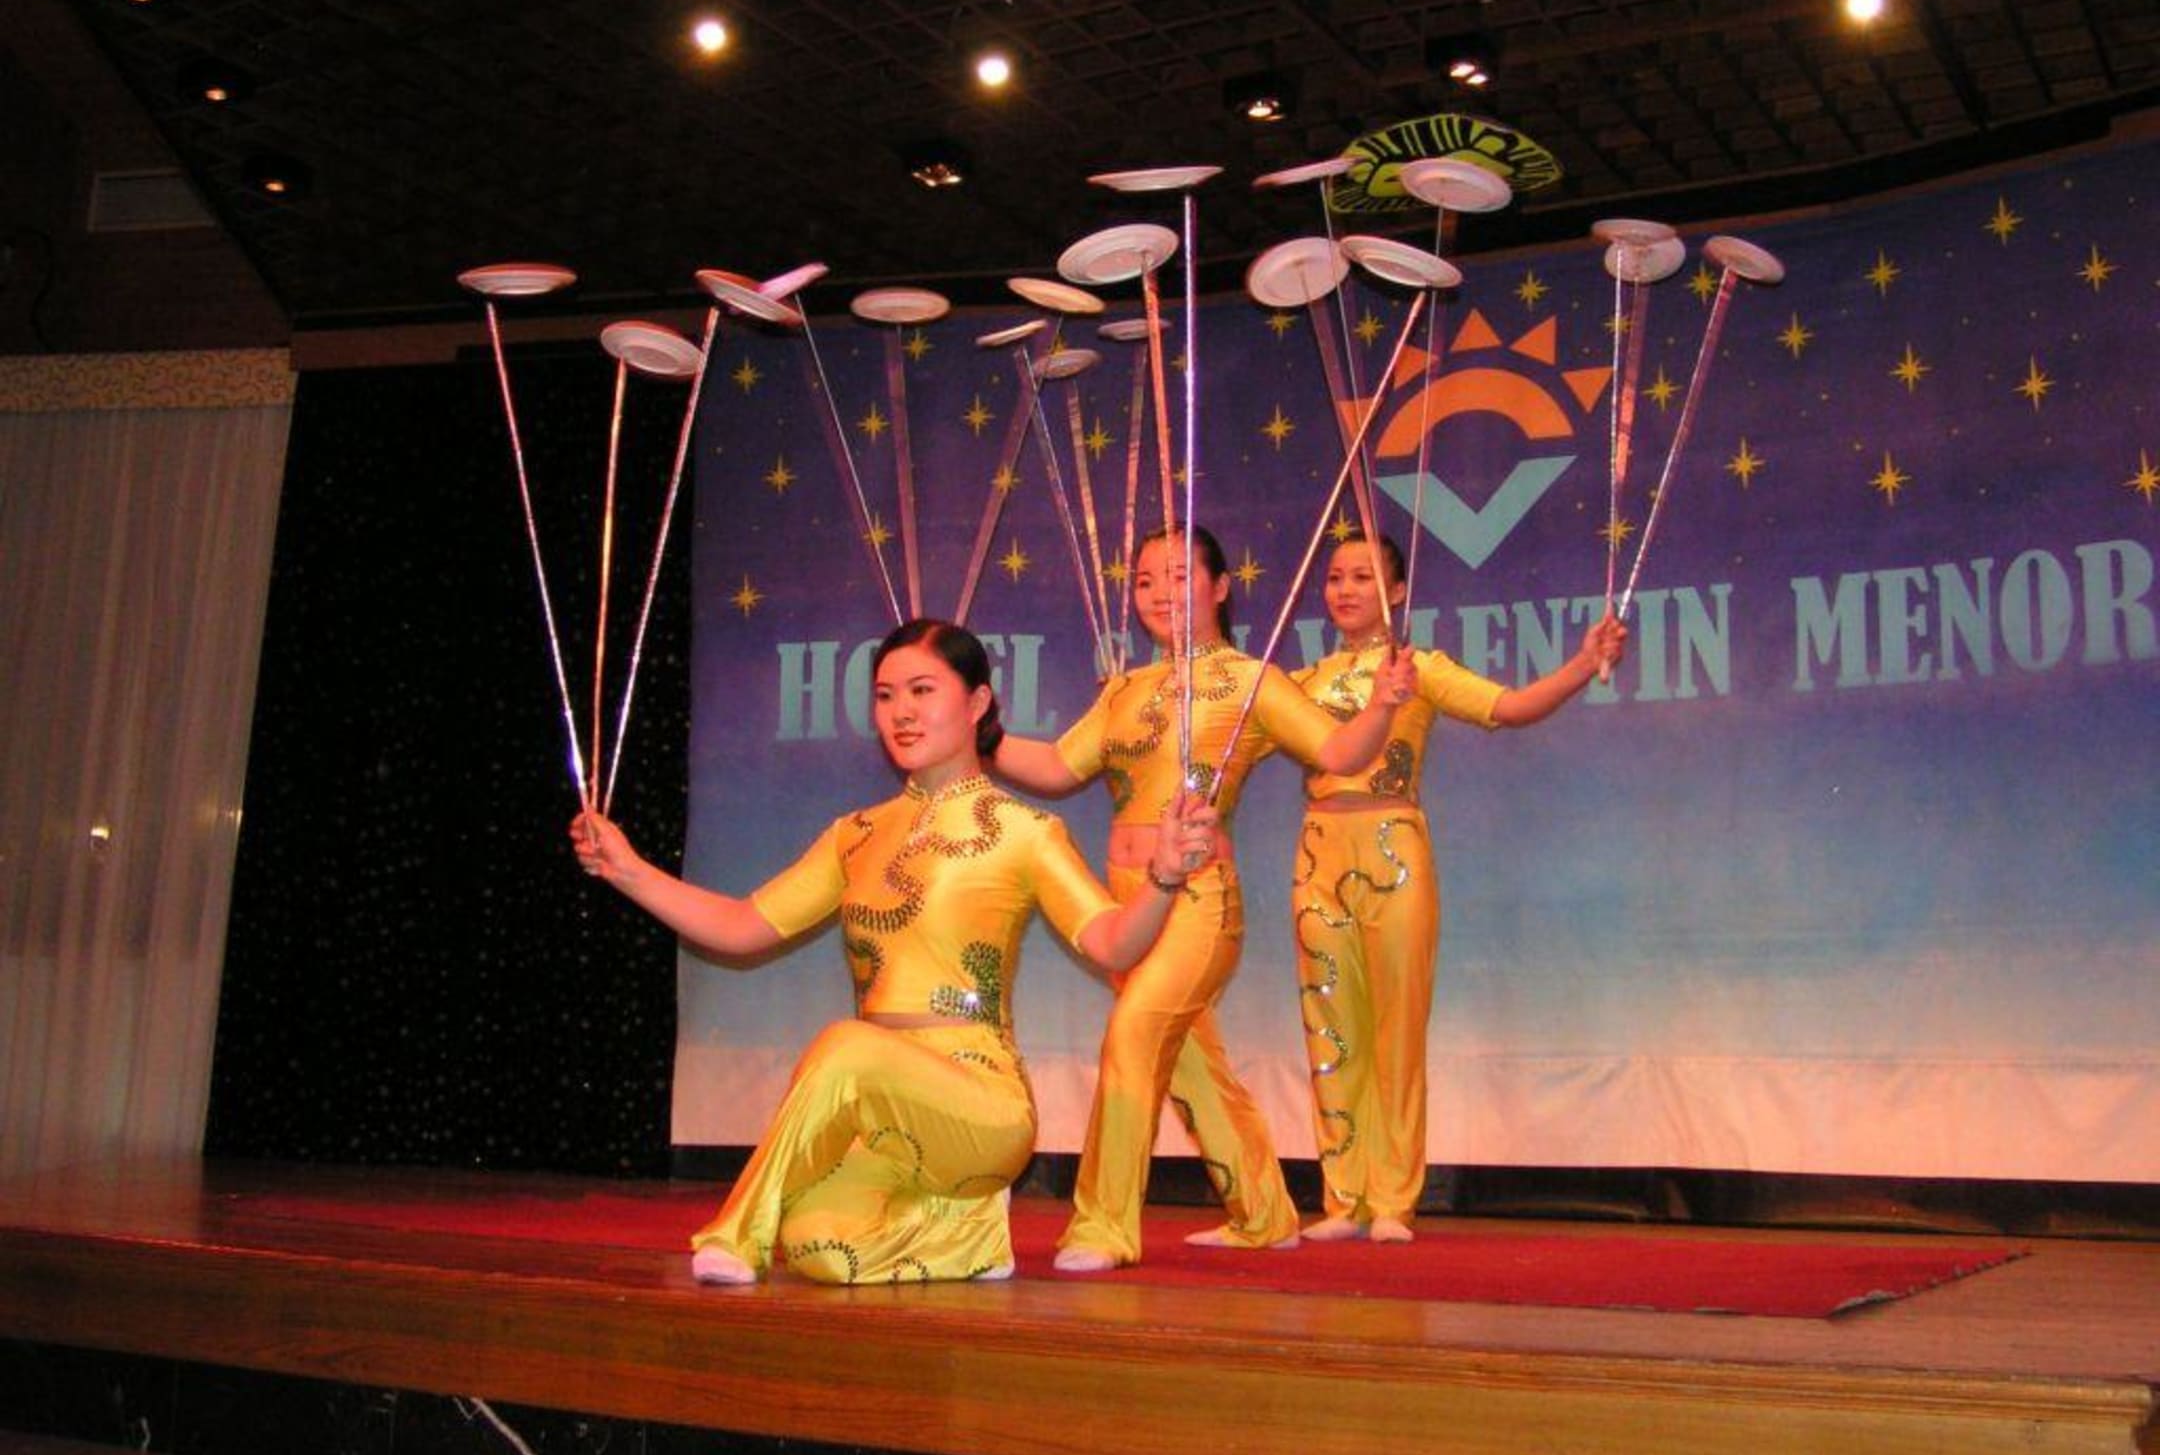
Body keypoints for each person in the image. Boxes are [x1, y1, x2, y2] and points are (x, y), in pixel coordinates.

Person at [571, 617, 1216, 1286]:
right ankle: (970, 1238)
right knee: (820, 1246)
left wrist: (1164, 879)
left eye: (921, 690)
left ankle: (734, 1234)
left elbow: (1114, 942)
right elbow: (739, 926)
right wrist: (628, 871)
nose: (901, 711)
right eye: (885, 695)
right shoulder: (855, 834)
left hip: (979, 1107)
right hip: (885, 1123)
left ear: (977, 702)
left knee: (846, 1045)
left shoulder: (1026, 831)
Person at [994, 526, 1414, 1271]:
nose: (1160, 593)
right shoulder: (1125, 689)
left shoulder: (1252, 681)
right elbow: (1058, 766)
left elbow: (1339, 751)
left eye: (1180, 576)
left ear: (1220, 587)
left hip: (1198, 900)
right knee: (1190, 1063)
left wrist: (1381, 708)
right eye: (1146, 580)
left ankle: (1103, 1225)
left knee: (1133, 1035)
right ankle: (1265, 1214)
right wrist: (979, 733)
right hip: (1128, 902)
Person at [1290, 534, 1627, 1243]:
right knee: (1331, 1030)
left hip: (1395, 853)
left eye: (1363, 578)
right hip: (1318, 857)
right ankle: (1343, 1199)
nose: (1345, 589)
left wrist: (1581, 663)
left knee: (1396, 1030)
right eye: (1336, 577)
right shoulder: (1302, 682)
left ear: (1397, 592)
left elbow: (1511, 707)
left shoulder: (1420, 670)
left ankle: (1391, 1199)